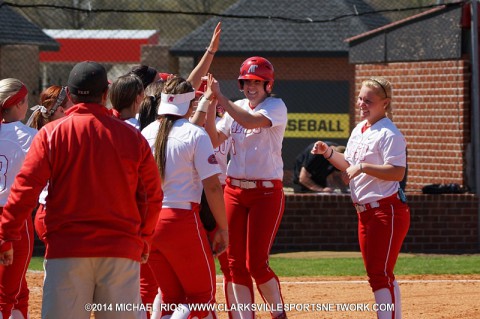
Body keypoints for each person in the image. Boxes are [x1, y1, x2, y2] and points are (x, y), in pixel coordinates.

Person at [0, 61, 163, 319]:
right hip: (119, 250)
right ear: (105, 95)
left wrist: (7, 233)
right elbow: (151, 195)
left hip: (67, 250)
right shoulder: (132, 136)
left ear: (70, 94)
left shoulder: (51, 133)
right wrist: (145, 236)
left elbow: (25, 188)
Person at [311, 77, 410, 319]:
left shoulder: (389, 133)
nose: (362, 104)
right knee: (379, 273)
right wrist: (328, 153)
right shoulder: (359, 129)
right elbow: (348, 166)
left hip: (386, 210)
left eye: (369, 100)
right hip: (365, 211)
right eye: (360, 98)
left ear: (385, 103)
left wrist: (363, 167)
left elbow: (397, 172)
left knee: (379, 274)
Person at [204, 56, 288, 319]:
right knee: (233, 262)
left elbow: (251, 121)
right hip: (235, 191)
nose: (251, 86)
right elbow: (215, 138)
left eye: (257, 82)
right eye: (246, 82)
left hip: (265, 192)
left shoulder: (276, 106)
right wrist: (209, 104)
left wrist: (221, 99)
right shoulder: (236, 106)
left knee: (256, 264)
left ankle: (278, 314)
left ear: (268, 85)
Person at [141, 76, 228, 319]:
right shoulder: (194, 134)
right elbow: (212, 187)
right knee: (202, 298)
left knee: (171, 297)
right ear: (189, 104)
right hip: (180, 221)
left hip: (150, 222)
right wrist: (223, 227)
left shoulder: (147, 132)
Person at [0, 78, 37, 319]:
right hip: (14, 219)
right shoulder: (28, 136)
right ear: (20, 103)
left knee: (18, 291)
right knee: (6, 296)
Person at [26, 85, 73, 243]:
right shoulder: (55, 137)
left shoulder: (40, 135)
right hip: (56, 214)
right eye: (72, 104)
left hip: (47, 213)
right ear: (60, 110)